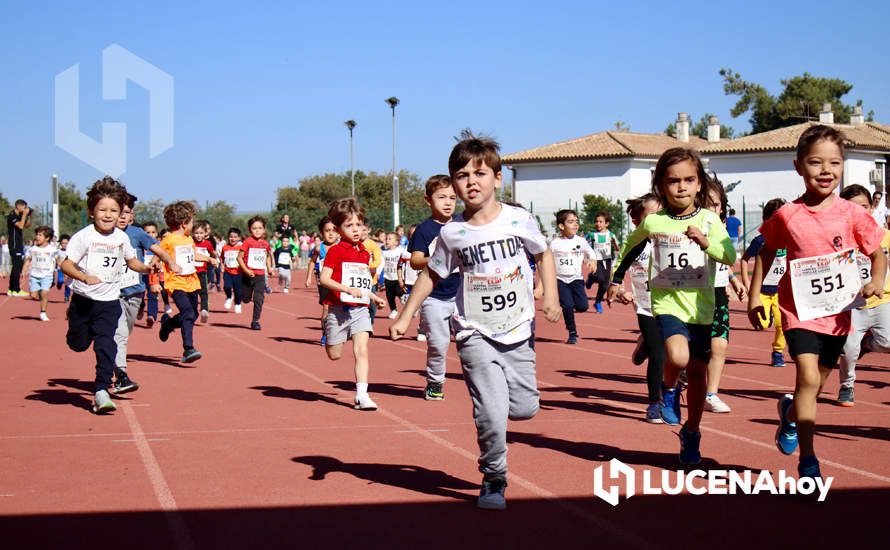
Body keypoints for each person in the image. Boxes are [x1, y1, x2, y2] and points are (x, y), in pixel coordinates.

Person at [391, 132, 561, 511]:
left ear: (497, 179)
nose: (471, 181)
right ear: (453, 183)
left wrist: (549, 295)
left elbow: (543, 255)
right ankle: (494, 476)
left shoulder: (520, 218)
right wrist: (406, 315)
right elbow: (432, 275)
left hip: (518, 328)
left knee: (524, 409)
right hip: (474, 331)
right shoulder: (452, 233)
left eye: (480, 173)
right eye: (462, 175)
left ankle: (503, 433)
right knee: (490, 411)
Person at [747, 125, 885, 481]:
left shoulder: (852, 214)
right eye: (816, 162)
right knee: (807, 377)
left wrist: (877, 279)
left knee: (816, 384)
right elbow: (766, 250)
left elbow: (877, 252)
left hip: (838, 315)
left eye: (835, 163)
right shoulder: (787, 215)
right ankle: (809, 462)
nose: (826, 170)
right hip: (798, 312)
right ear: (798, 166)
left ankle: (790, 414)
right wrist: (754, 295)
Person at [608, 147, 735, 464]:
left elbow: (729, 255)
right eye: (673, 181)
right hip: (667, 302)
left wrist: (707, 243)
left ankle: (691, 432)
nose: (681, 187)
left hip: (701, 309)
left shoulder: (709, 220)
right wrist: (614, 279)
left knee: (697, 376)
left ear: (699, 184)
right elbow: (629, 247)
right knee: (677, 355)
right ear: (661, 186)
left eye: (689, 180)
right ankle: (667, 388)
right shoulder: (653, 222)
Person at [59, 177, 154, 414]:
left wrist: (147, 268)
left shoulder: (121, 238)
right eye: (103, 210)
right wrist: (84, 278)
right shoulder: (84, 236)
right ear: (92, 212)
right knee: (78, 345)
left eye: (114, 210)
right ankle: (76, 325)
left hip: (109, 301)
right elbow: (66, 265)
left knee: (106, 345)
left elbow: (132, 262)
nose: (109, 215)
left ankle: (101, 390)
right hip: (83, 300)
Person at [319, 198, 387, 411]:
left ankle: (362, 395)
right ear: (339, 229)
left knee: (362, 350)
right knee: (334, 354)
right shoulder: (335, 251)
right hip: (338, 309)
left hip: (360, 309)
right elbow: (325, 279)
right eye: (349, 226)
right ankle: (328, 334)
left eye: (359, 224)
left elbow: (363, 282)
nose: (356, 230)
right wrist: (346, 289)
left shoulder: (365, 253)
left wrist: (373, 297)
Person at [609, 193, 666, 423]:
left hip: (674, 305)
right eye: (651, 216)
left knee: (678, 353)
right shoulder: (634, 241)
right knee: (659, 354)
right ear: (638, 221)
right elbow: (620, 264)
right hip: (646, 306)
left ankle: (645, 344)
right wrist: (619, 288)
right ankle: (654, 403)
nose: (657, 220)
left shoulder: (672, 237)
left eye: (661, 214)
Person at [114, 194, 179, 392]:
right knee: (120, 333)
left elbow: (157, 248)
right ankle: (121, 375)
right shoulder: (103, 235)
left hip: (134, 293)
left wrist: (170, 261)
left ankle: (111, 361)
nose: (123, 217)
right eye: (120, 212)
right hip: (112, 293)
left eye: (127, 213)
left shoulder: (137, 234)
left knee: (126, 330)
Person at [836, 184, 890, 406]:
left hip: (883, 299)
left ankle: (868, 344)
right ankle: (847, 386)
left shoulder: (884, 236)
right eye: (854, 207)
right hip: (852, 304)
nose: (860, 212)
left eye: (865, 207)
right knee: (848, 349)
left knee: (887, 342)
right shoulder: (839, 239)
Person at [703, 179, 746, 414]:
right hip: (693, 296)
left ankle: (711, 394)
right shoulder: (689, 227)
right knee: (692, 351)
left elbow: (724, 259)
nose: (712, 209)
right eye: (706, 204)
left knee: (719, 346)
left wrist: (733, 279)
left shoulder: (723, 229)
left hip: (718, 294)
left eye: (715, 204)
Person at [158, 201, 216, 363]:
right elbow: (157, 256)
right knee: (188, 313)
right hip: (176, 284)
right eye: (191, 222)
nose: (192, 225)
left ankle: (168, 325)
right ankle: (188, 349)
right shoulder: (168, 240)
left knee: (193, 314)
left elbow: (194, 255)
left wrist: (209, 259)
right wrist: (154, 274)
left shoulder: (188, 239)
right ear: (184, 224)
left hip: (191, 282)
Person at [739, 199, 788, 367]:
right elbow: (744, 259)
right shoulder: (760, 241)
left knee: (783, 325)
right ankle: (768, 317)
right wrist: (747, 284)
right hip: (762, 291)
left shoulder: (789, 240)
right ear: (766, 220)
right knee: (763, 324)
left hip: (781, 291)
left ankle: (778, 353)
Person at [549, 209, 596, 344]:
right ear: (561, 226)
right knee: (568, 306)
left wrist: (592, 260)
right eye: (571, 222)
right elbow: (548, 261)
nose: (575, 224)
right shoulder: (554, 243)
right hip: (560, 280)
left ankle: (568, 302)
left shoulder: (581, 241)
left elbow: (590, 252)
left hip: (576, 279)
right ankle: (572, 332)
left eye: (576, 221)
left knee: (582, 307)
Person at [306, 216, 339, 345]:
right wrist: (308, 277)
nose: (331, 233)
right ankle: (325, 333)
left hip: (339, 282)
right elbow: (312, 262)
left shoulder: (341, 247)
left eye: (333, 230)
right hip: (324, 282)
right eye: (327, 230)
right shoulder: (320, 248)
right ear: (322, 233)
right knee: (326, 308)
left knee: (339, 309)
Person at [238, 216, 274, 330]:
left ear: (264, 230)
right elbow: (239, 258)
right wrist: (247, 270)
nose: (257, 230)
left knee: (259, 298)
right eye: (254, 228)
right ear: (250, 229)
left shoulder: (265, 244)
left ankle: (255, 321)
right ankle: (243, 296)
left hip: (260, 275)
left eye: (260, 228)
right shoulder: (247, 242)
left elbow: (267, 256)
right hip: (247, 276)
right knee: (246, 299)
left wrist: (269, 268)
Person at [22, 226, 60, 321]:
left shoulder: (52, 249)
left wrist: (65, 272)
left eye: (40, 235)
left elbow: (59, 261)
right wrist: (23, 271)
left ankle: (43, 312)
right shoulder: (32, 249)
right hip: (34, 275)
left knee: (45, 293)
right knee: (33, 295)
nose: (37, 237)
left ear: (47, 238)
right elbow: (27, 260)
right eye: (37, 234)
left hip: (47, 275)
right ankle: (40, 292)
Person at [585, 211, 619, 313]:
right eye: (596, 221)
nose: (598, 223)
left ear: (606, 224)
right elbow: (582, 243)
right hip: (595, 260)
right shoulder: (591, 234)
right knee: (599, 277)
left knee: (605, 284)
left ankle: (598, 302)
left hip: (607, 261)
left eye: (601, 221)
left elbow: (617, 248)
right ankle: (591, 278)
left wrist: (614, 244)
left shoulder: (611, 235)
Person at [6, 199, 32, 296]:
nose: (25, 209)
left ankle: (11, 289)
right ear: (18, 206)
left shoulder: (20, 216)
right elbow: (20, 226)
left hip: (19, 243)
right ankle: (16, 289)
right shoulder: (12, 216)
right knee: (17, 266)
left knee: (17, 266)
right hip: (14, 244)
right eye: (24, 207)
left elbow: (27, 226)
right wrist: (24, 215)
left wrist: (28, 216)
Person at [192, 220, 217, 323]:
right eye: (196, 233)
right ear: (193, 233)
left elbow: (213, 253)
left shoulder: (208, 244)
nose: (198, 235)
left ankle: (204, 310)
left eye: (201, 233)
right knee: (192, 293)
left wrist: (214, 259)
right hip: (191, 272)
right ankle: (193, 312)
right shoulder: (190, 242)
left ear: (205, 233)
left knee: (203, 293)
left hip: (202, 272)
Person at [381, 232, 409, 319]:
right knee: (389, 296)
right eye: (386, 239)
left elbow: (406, 258)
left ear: (396, 242)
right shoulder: (384, 252)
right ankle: (393, 310)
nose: (387, 241)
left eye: (390, 239)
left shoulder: (401, 251)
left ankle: (404, 298)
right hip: (388, 277)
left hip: (398, 277)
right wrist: (378, 273)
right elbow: (381, 263)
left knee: (399, 291)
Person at [362, 223, 383, 325]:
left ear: (369, 230)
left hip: (371, 280)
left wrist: (367, 266)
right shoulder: (355, 243)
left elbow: (378, 261)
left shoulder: (372, 244)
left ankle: (370, 322)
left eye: (365, 230)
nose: (362, 232)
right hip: (358, 279)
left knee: (372, 304)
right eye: (360, 229)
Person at [221, 227, 244, 313]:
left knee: (238, 291)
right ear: (228, 237)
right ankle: (229, 297)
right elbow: (222, 258)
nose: (233, 239)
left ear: (239, 238)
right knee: (227, 286)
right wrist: (222, 266)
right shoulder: (225, 248)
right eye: (231, 237)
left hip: (238, 273)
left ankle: (238, 304)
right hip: (228, 272)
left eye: (235, 237)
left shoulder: (241, 248)